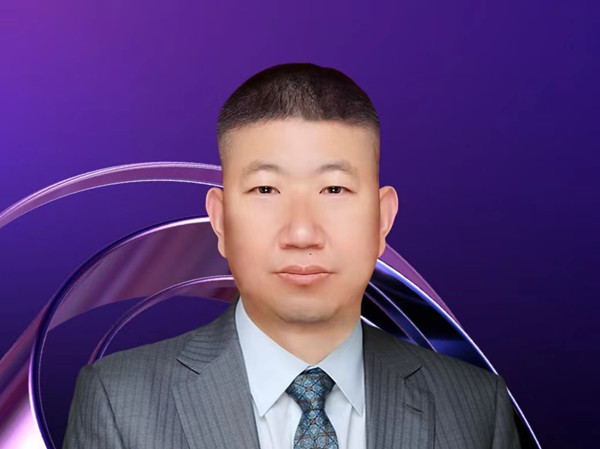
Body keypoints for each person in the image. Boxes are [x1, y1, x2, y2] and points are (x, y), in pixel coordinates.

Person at [63, 63, 522, 449]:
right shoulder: (119, 401)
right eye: (266, 190)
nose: (302, 233)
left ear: (382, 219)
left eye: (334, 189)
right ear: (220, 221)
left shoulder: (475, 407)